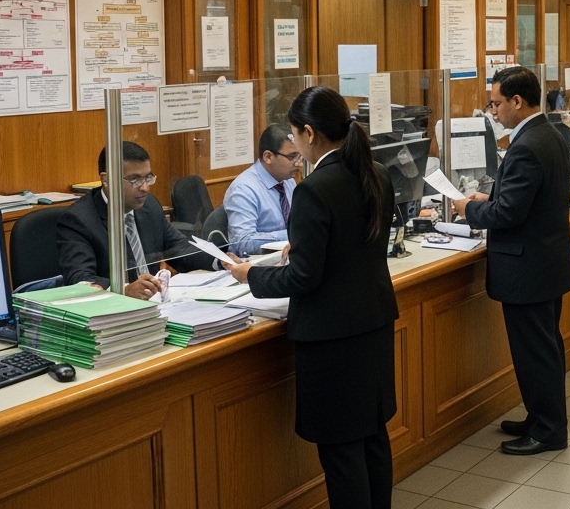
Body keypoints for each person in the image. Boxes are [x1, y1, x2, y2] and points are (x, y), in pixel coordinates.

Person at [222, 86, 398, 508]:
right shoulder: (376, 172)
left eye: (297, 137)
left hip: (332, 338)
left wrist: (253, 275)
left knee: (341, 454)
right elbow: (354, 244)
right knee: (372, 438)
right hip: (372, 323)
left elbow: (304, 278)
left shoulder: (315, 188)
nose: (297, 146)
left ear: (309, 133)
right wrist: (300, 247)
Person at [454, 66, 570, 455]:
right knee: (543, 348)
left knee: (535, 353)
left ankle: (549, 430)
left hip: (528, 269)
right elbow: (524, 201)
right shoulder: (550, 134)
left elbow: (509, 215)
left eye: (496, 103)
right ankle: (540, 416)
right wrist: (488, 201)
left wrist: (466, 210)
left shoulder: (526, 144)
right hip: (545, 263)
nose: (493, 112)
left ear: (517, 102)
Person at [57, 141, 212, 300]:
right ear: (106, 179)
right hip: (111, 313)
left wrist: (221, 261)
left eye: (148, 178)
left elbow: (179, 248)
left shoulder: (149, 205)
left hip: (155, 303)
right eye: (135, 180)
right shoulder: (78, 220)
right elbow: (79, 279)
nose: (145, 188)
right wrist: (124, 290)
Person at [222, 124, 301, 255]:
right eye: (292, 157)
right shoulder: (243, 190)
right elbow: (243, 242)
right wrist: (293, 234)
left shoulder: (288, 181)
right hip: (255, 265)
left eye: (299, 156)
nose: (298, 163)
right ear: (268, 157)